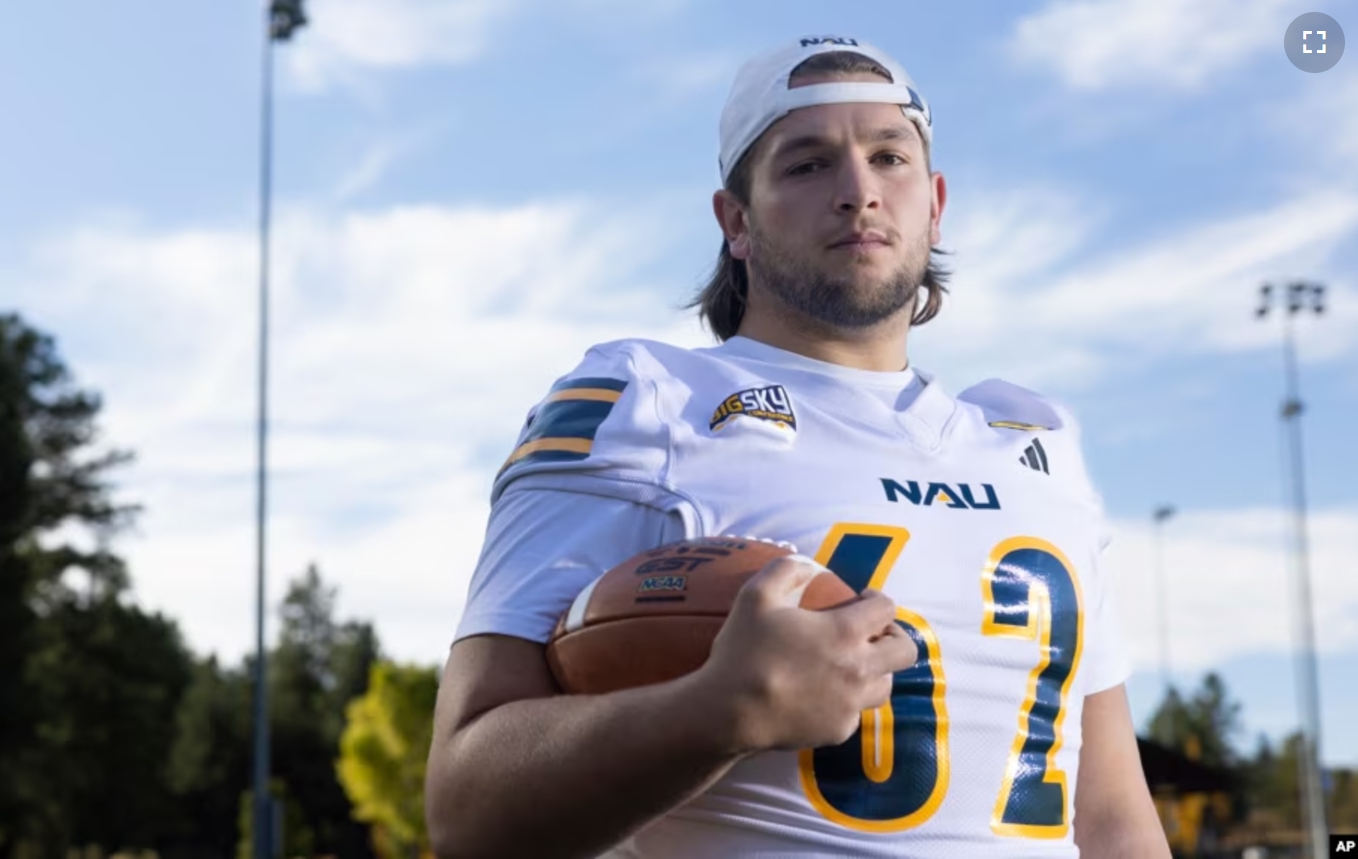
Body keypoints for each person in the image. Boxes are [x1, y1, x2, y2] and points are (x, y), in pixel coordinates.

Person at [425, 35, 1170, 859]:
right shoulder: (645, 398)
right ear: (735, 221)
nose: (859, 192)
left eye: (889, 156)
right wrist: (714, 713)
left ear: (935, 203)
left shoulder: (1035, 439)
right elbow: (467, 808)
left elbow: (1108, 815)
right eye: (807, 164)